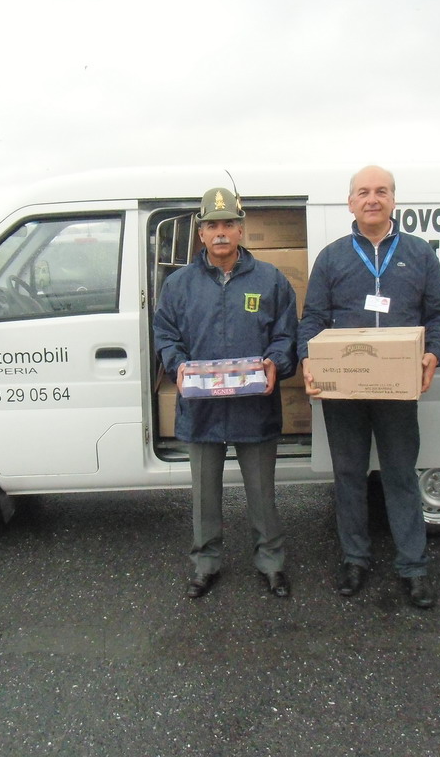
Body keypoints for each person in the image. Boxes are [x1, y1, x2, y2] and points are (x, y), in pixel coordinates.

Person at [297, 165, 440, 608]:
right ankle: (355, 559)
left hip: (397, 388)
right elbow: (312, 318)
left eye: (381, 191)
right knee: (349, 475)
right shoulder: (332, 257)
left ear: (393, 200)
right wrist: (308, 358)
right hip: (344, 389)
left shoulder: (419, 254)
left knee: (401, 475)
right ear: (350, 203)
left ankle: (413, 567)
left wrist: (434, 353)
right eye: (363, 192)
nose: (372, 199)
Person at [153, 187, 298, 599]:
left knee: (262, 493)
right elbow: (165, 334)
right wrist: (178, 364)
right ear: (200, 233)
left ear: (240, 230)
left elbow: (286, 334)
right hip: (202, 409)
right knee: (204, 495)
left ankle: (271, 563)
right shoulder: (179, 285)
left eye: (228, 224)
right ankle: (206, 564)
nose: (220, 232)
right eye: (212, 225)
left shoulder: (270, 280)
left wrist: (275, 362)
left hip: (255, 407)